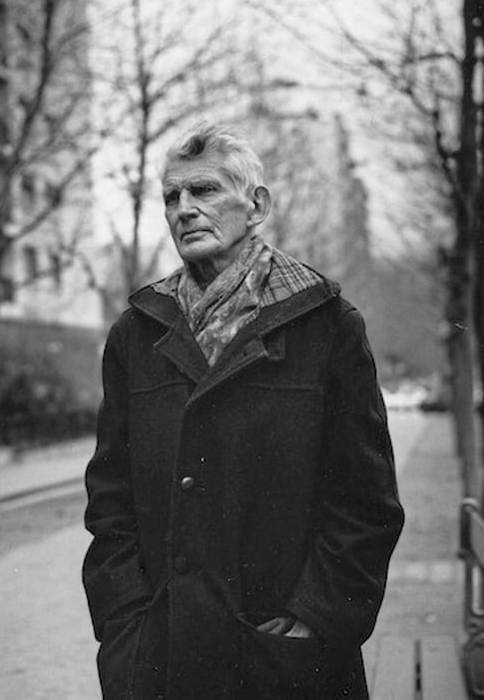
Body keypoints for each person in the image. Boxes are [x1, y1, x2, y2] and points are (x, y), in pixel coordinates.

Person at [82, 122, 404, 699]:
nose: (184, 210)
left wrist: (317, 619)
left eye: (203, 191)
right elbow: (110, 498)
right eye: (172, 197)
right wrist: (123, 623)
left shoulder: (326, 325)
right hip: (161, 660)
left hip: (285, 662)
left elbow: (366, 502)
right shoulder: (136, 333)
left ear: (256, 206)